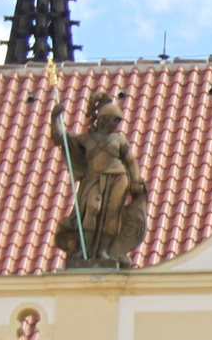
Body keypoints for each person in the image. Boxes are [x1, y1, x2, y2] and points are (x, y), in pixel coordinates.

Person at [51, 91, 149, 267]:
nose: (117, 124)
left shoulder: (118, 140)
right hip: (93, 179)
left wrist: (135, 179)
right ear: (104, 119)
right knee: (92, 209)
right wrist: (55, 117)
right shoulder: (87, 139)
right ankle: (85, 250)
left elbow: (131, 161)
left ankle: (104, 251)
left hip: (118, 178)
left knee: (112, 213)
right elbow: (61, 139)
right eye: (114, 120)